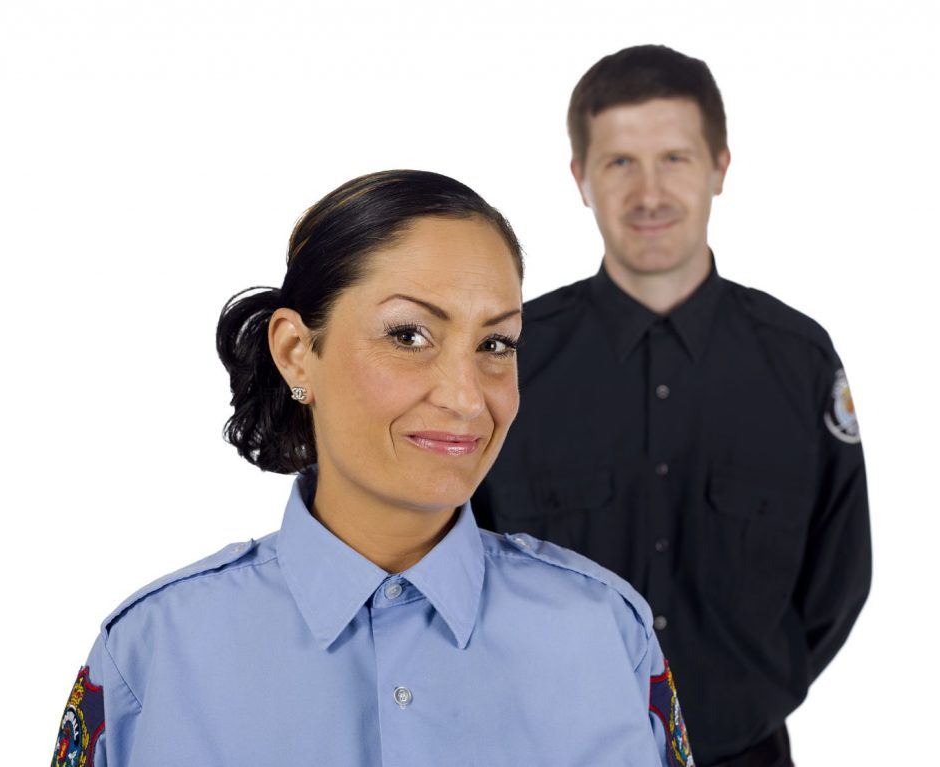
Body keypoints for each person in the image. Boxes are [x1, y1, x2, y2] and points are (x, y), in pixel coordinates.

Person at [50, 170, 696, 767]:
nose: (468, 397)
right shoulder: (151, 658)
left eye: (495, 343)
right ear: (297, 352)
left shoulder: (609, 637)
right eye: (409, 335)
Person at [472, 45, 872, 767]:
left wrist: (745, 695)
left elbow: (838, 577)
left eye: (675, 159)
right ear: (580, 179)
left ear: (720, 166)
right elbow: (458, 557)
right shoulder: (507, 359)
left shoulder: (800, 361)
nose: (648, 193)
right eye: (620, 162)